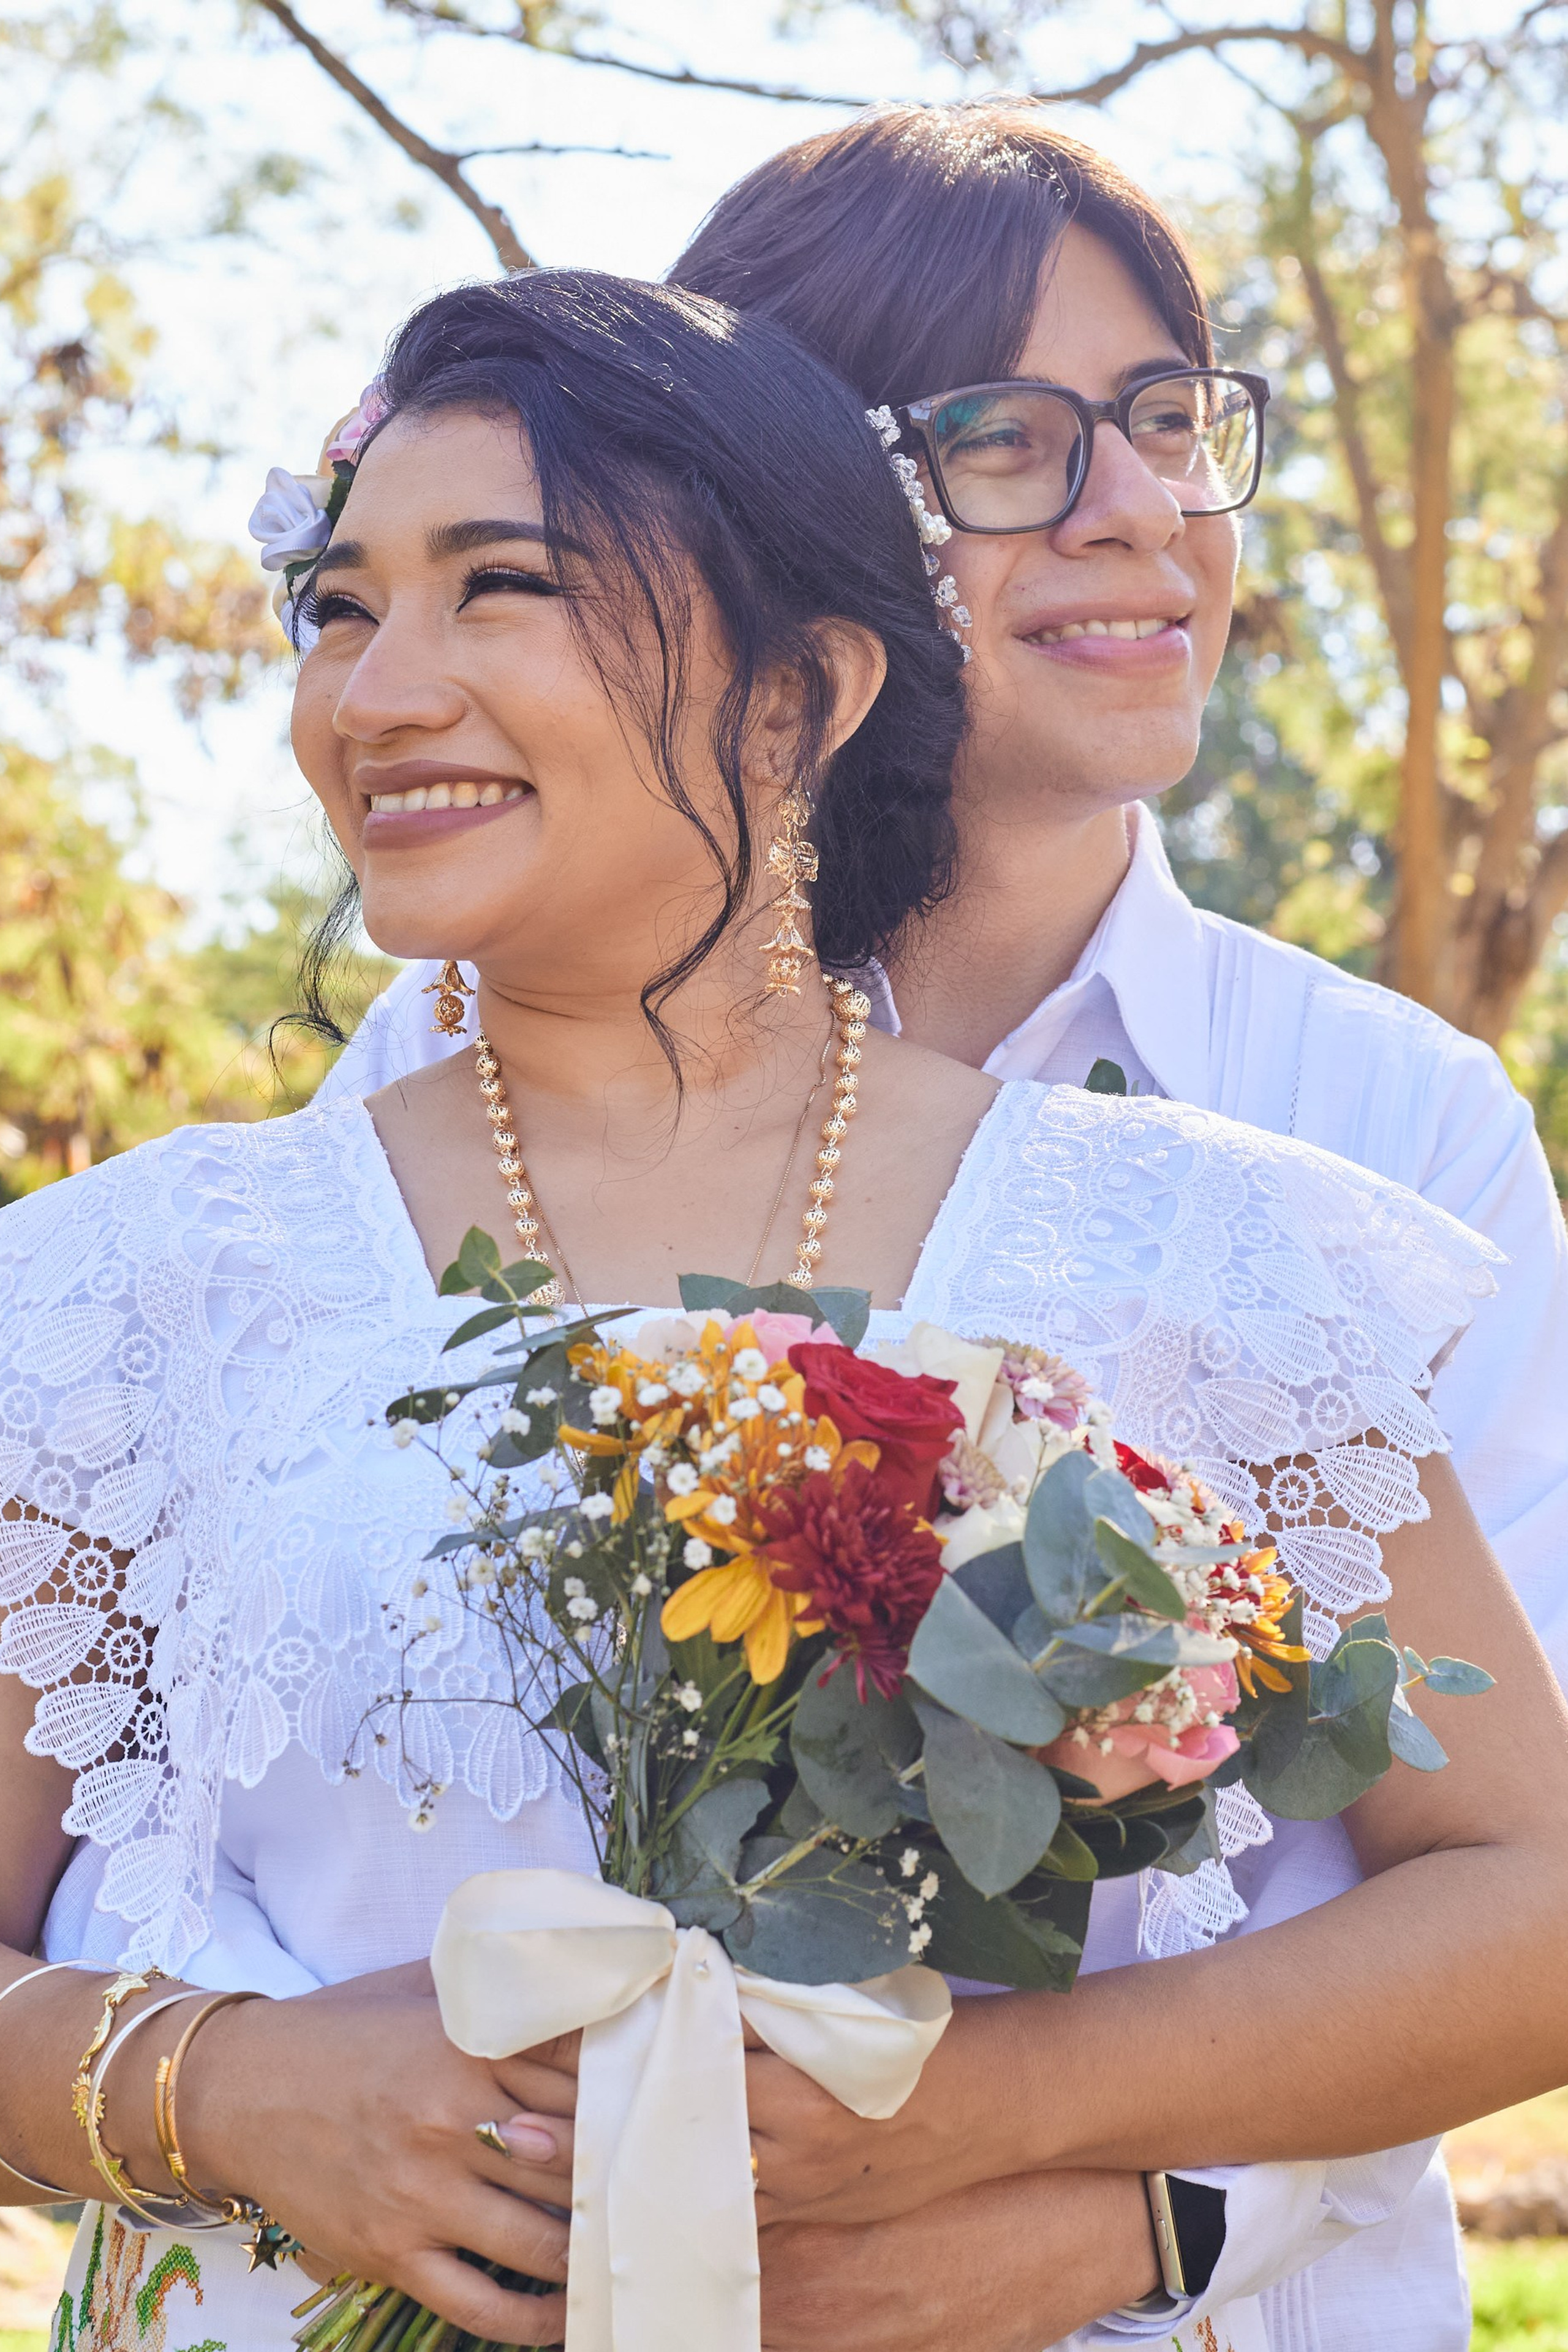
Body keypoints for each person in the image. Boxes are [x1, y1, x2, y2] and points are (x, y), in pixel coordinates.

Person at [1, 268, 1564, 2352]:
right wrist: (235, 2087)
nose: (375, 694)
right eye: (339, 605)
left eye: (501, 588)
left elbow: (1528, 1905)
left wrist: (975, 2112)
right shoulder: (120, 1300)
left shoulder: (1210, 1259)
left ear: (801, 691)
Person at [332, 106, 1568, 1698]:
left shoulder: (1396, 1131)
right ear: (765, 518)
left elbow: (1513, 1855)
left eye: (1173, 420)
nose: (1141, 505)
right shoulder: (461, 1065)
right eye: (1002, 435)